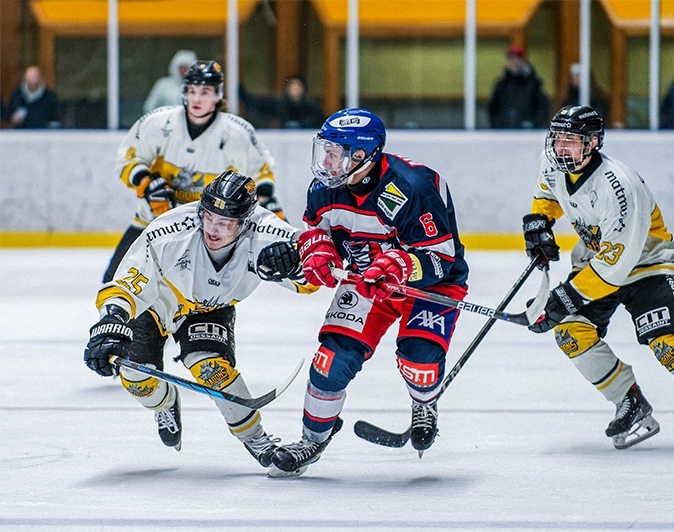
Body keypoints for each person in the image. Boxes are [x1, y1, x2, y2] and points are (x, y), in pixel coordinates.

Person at [522, 105, 674, 452]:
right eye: (558, 138)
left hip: (647, 263)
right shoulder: (553, 163)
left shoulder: (619, 188)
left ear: (592, 143)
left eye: (571, 140)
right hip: (599, 259)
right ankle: (629, 401)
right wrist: (539, 222)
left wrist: (564, 298)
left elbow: (614, 268)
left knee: (668, 345)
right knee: (570, 332)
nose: (561, 147)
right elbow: (548, 193)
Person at [268, 107, 470, 477]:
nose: (325, 162)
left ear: (361, 156)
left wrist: (400, 266)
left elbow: (442, 259)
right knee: (329, 363)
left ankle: (424, 403)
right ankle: (311, 441)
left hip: (429, 284)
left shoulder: (413, 186)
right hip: (366, 281)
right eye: (325, 151)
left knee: (420, 364)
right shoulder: (324, 188)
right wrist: (317, 252)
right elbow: (315, 231)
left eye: (334, 154)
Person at [84, 171, 313, 466]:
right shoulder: (169, 231)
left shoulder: (268, 233)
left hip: (210, 308)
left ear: (244, 223)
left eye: (225, 223)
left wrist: (297, 266)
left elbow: (315, 274)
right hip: (158, 302)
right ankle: (165, 402)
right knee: (137, 377)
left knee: (212, 370)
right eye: (208, 217)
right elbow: (127, 284)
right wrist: (112, 320)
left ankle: (258, 441)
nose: (213, 230)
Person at [102, 60, 286, 283]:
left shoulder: (237, 134)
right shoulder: (159, 123)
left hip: (206, 233)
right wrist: (146, 183)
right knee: (114, 283)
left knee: (198, 295)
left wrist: (267, 206)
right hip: (153, 223)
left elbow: (261, 174)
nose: (196, 99)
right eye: (192, 91)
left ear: (217, 96)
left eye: (205, 92)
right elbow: (129, 157)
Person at [488, 44, 551, 129]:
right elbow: (493, 108)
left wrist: (534, 124)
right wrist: (497, 124)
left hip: (527, 131)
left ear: (523, 61)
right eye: (511, 59)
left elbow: (543, 108)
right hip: (504, 131)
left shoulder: (534, 84)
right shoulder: (501, 85)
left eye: (518, 59)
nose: (515, 63)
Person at [239, 74, 326, 129]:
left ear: (303, 88)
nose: (295, 89)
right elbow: (257, 104)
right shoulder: (279, 104)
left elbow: (319, 122)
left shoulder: (312, 106)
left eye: (298, 85)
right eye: (292, 85)